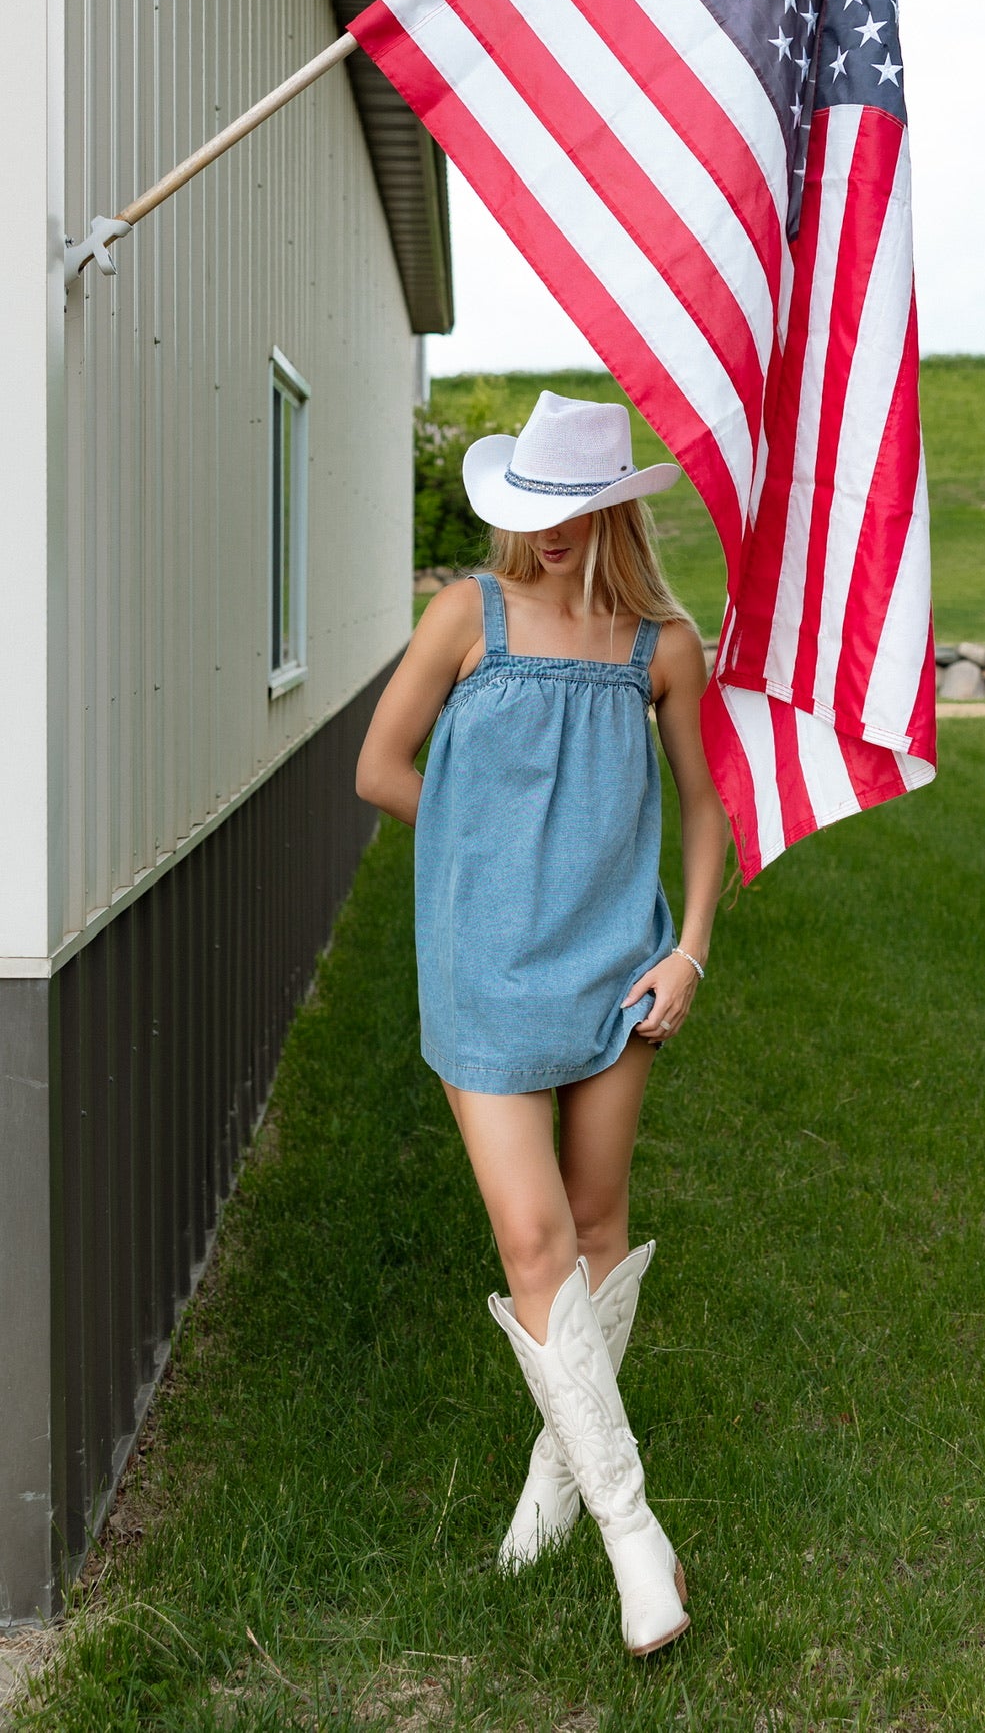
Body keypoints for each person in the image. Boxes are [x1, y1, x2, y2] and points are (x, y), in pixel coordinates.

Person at [356, 390, 728, 1657]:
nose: (549, 538)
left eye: (573, 515)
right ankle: (636, 1534)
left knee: (599, 1224)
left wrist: (688, 951)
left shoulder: (658, 646)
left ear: (614, 509)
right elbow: (380, 765)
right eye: (536, 513)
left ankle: (553, 1478)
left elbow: (706, 812)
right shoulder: (470, 616)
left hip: (620, 967)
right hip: (485, 966)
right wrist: (483, 858)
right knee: (533, 1236)